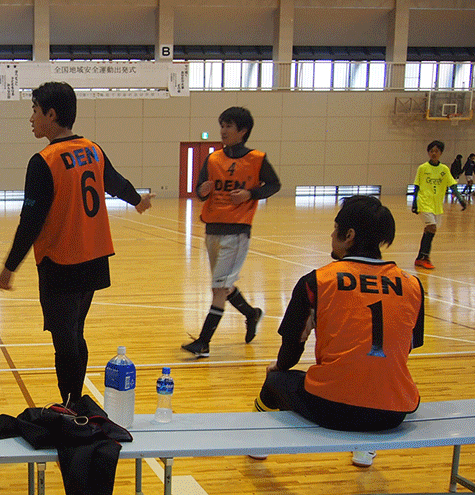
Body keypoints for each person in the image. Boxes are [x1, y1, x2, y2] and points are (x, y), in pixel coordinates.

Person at [0, 82, 154, 406]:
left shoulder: (44, 160)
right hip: (94, 258)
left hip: (61, 262)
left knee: (65, 340)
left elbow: (31, 222)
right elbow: (115, 182)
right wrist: (137, 200)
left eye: (35, 111)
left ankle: (71, 405)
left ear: (51, 115)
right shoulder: (92, 149)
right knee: (75, 331)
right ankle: (75, 401)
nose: (31, 118)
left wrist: (9, 267)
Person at [253, 195, 424, 468]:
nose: (332, 234)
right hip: (393, 412)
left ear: (349, 235)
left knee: (276, 381)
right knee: (377, 383)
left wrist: (279, 368)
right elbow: (406, 347)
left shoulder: (317, 281)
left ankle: (257, 444)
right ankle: (365, 451)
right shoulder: (412, 285)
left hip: (332, 408)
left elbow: (292, 348)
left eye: (336, 228)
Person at [181, 106, 281, 358]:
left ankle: (204, 342)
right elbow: (199, 191)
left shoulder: (256, 159)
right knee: (224, 285)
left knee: (218, 288)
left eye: (229, 126)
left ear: (243, 131)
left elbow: (274, 185)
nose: (223, 131)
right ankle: (251, 313)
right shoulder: (213, 159)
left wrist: (250, 193)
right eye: (222, 125)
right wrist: (202, 191)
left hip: (236, 232)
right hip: (212, 229)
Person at [411, 140, 467, 270]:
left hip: (437, 206)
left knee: (428, 231)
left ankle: (420, 257)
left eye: (436, 151)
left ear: (441, 153)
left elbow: (452, 185)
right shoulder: (423, 168)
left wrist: (460, 199)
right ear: (428, 153)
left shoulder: (444, 169)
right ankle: (425, 257)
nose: (434, 153)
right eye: (431, 151)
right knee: (432, 228)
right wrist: (415, 203)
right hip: (424, 203)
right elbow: (417, 186)